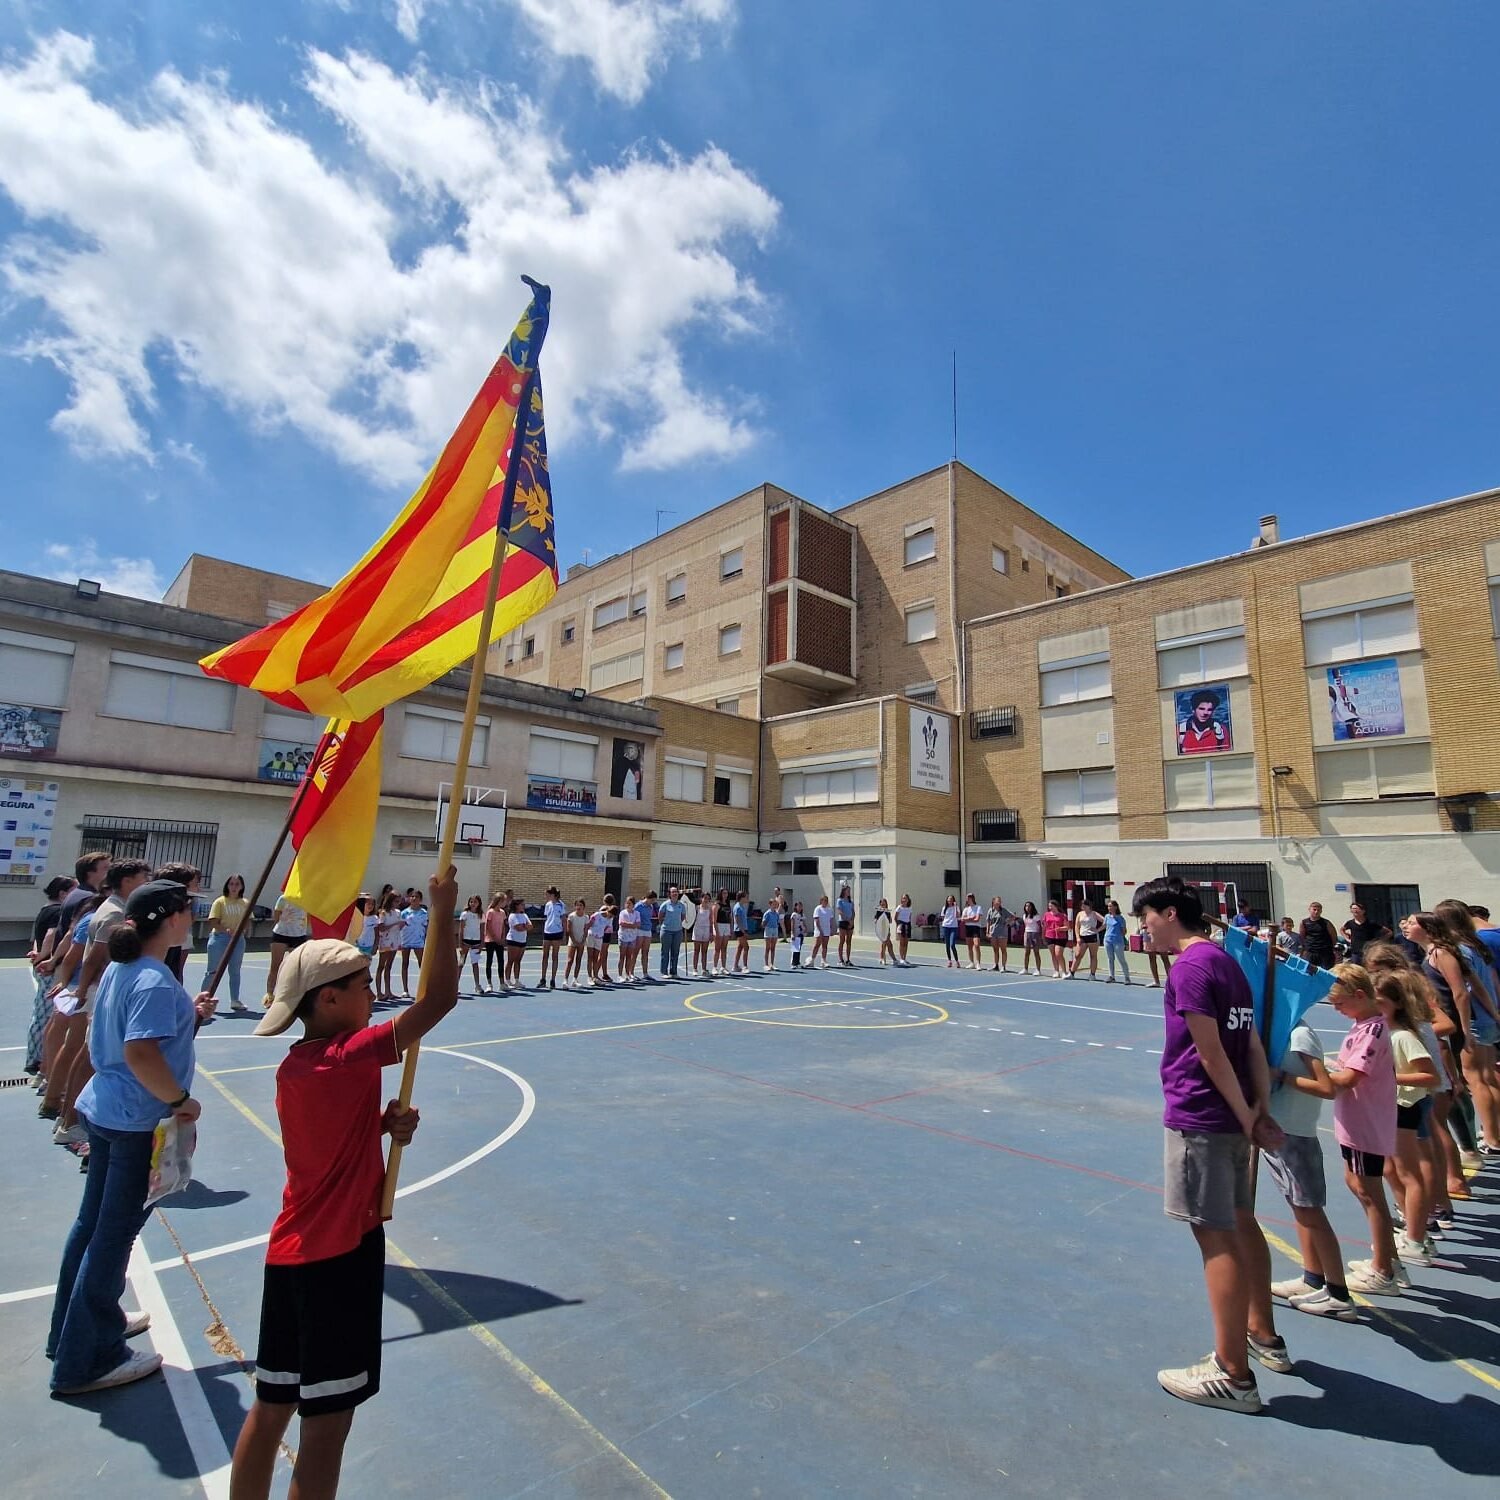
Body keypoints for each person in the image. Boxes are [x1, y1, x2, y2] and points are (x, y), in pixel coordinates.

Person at [229, 869, 458, 1500]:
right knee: (327, 1428)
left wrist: (382, 1126)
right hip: (338, 1258)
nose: (371, 996)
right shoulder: (349, 1057)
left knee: (272, 1403)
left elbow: (329, 1137)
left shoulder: (299, 1067)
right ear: (328, 1001)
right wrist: (445, 912)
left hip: (291, 1253)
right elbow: (436, 1003)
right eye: (362, 987)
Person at [47, 880, 210, 1394]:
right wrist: (181, 1102)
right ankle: (86, 1358)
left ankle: (70, 1331)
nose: (194, 916)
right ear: (170, 919)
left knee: (91, 1224)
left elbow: (137, 1036)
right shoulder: (154, 981)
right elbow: (141, 1052)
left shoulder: (128, 970)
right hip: (136, 1119)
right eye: (189, 910)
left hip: (106, 1109)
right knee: (114, 1237)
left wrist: (191, 1016)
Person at [1133, 876, 1287, 1414]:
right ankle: (1259, 1334)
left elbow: (1211, 1054)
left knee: (1215, 1238)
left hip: (1203, 1116)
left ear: (1170, 912)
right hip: (1234, 1115)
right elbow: (1251, 1044)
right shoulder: (1228, 965)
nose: (1143, 928)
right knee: (1241, 1224)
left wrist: (1246, 1117)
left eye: (1146, 916)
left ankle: (1232, 1373)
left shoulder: (1192, 968)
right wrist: (1258, 1110)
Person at [1264, 1004, 1354, 1320]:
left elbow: (1326, 1087)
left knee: (1311, 1211)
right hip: (1281, 1129)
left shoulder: (1300, 1035)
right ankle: (1312, 1276)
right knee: (1299, 1208)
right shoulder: (1280, 1032)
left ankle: (1339, 1293)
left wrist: (1282, 1077)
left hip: (1297, 1132)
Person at [1324, 964, 1402, 1295]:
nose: (1337, 1010)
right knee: (1356, 1182)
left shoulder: (1372, 1032)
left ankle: (1383, 1270)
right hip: (1356, 1120)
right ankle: (1389, 1257)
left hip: (1365, 1122)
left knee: (1370, 1193)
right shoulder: (1363, 1025)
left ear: (1359, 996)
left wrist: (1307, 1076)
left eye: (1340, 1003)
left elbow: (1351, 1078)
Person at [1374, 970, 1440, 1269]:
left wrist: (1389, 1077)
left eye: (1381, 1003)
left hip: (1404, 1107)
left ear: (1396, 1003)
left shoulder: (1402, 1036)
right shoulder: (1384, 1032)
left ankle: (1417, 1238)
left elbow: (1430, 1076)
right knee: (1389, 1168)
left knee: (1409, 1173)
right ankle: (1412, 1224)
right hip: (1390, 1107)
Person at [25, 874, 76, 1076]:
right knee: (45, 1014)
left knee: (42, 1012)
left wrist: (37, 953)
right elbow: (49, 936)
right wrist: (48, 957)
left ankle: (36, 1055)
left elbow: (38, 936)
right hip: (47, 969)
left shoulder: (45, 909)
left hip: (40, 964)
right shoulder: (58, 912)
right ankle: (37, 1057)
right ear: (63, 893)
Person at [204, 874, 250, 1015]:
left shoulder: (245, 903)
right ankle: (205, 1000)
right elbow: (213, 921)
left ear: (241, 887)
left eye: (237, 884)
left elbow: (248, 921)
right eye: (231, 884)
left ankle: (235, 1000)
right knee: (213, 971)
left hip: (238, 940)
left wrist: (239, 931)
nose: (234, 887)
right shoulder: (220, 902)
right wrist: (226, 930)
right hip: (219, 938)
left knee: (235, 971)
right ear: (227, 886)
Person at [266, 893, 310, 1009]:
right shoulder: (283, 898)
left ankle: (295, 997)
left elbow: (309, 917)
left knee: (298, 968)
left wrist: (302, 928)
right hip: (281, 934)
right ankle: (270, 995)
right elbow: (276, 915)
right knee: (275, 966)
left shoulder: (308, 898)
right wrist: (284, 927)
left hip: (299, 935)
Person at [1177, 688, 1228, 755]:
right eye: (1201, 709)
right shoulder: (1179, 730)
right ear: (1193, 709)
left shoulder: (1221, 730)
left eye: (1209, 710)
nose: (1205, 713)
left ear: (1213, 711)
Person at [374, 894, 405, 1001]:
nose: (397, 903)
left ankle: (388, 991)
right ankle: (379, 992)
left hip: (394, 941)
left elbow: (399, 928)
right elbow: (381, 928)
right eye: (396, 901)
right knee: (381, 966)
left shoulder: (398, 912)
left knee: (389, 966)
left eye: (398, 901)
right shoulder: (383, 912)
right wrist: (395, 924)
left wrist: (402, 924)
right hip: (385, 942)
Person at [398, 891, 428, 998]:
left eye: (417, 897)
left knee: (422, 964)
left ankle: (423, 987)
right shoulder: (404, 913)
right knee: (405, 963)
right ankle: (405, 990)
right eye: (412, 896)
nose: (414, 898)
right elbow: (400, 927)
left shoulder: (424, 913)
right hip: (406, 941)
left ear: (420, 899)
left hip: (418, 941)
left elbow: (426, 927)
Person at [539, 887, 566, 990]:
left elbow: (564, 920)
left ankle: (553, 980)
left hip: (557, 932)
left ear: (553, 894)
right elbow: (547, 917)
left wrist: (564, 934)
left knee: (555, 956)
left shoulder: (561, 905)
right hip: (547, 932)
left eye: (547, 894)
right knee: (545, 955)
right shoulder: (548, 905)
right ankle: (543, 979)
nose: (546, 896)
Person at [657, 885, 687, 979]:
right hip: (666, 931)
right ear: (669, 894)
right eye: (673, 892)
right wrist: (665, 925)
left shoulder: (681, 905)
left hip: (677, 931)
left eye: (676, 892)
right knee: (665, 952)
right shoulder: (665, 904)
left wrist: (677, 925)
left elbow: (682, 917)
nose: (675, 893)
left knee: (675, 952)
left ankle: (673, 972)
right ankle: (664, 972)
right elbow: (660, 916)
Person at [1068, 899, 1103, 979]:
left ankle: (1092, 974)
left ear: (1088, 905)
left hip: (1092, 936)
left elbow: (1105, 921)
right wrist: (1077, 937)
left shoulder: (1094, 913)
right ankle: (1072, 973)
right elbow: (1076, 926)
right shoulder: (1080, 914)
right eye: (1082, 905)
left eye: (1084, 905)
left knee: (1093, 955)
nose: (1082, 906)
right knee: (1078, 955)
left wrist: (1098, 929)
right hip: (1082, 937)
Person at [1298, 901, 1338, 970]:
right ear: (1309, 910)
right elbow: (1302, 936)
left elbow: (1333, 936)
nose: (1316, 912)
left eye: (1318, 910)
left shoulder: (1326, 923)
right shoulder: (1304, 922)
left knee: (1326, 972)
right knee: (1308, 973)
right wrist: (1304, 949)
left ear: (1321, 911)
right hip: (1310, 952)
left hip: (1325, 953)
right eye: (1314, 909)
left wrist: (1332, 948)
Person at [458, 896, 484, 995]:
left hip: (476, 941)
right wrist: (460, 944)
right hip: (465, 941)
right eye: (471, 902)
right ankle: (456, 985)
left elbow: (482, 929)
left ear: (479, 903)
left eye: (475, 902)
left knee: (475, 964)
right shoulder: (465, 914)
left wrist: (481, 943)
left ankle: (477, 985)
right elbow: (461, 929)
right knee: (461, 963)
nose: (473, 904)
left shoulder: (481, 915)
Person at [503, 898, 531, 991]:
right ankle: (507, 980)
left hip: (522, 940)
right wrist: (524, 926)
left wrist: (524, 926)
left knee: (518, 961)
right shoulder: (512, 916)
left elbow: (530, 926)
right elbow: (518, 927)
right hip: (513, 940)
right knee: (511, 960)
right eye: (521, 904)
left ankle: (517, 980)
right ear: (516, 906)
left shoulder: (524, 915)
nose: (523, 906)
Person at [483, 894, 507, 992]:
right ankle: (489, 983)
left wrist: (502, 937)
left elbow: (503, 926)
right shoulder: (490, 912)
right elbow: (488, 927)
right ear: (499, 901)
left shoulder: (502, 912)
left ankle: (502, 983)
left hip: (499, 941)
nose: (505, 903)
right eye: (503, 901)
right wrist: (495, 938)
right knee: (489, 961)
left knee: (500, 961)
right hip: (490, 940)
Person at [1103, 900, 1131, 984]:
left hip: (1118, 941)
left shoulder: (1120, 918)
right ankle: (1111, 976)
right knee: (1110, 958)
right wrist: (1096, 930)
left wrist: (1121, 934)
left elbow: (1124, 931)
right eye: (1108, 906)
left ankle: (1127, 977)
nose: (1109, 908)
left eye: (1111, 906)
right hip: (1108, 940)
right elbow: (1104, 926)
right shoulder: (1107, 916)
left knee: (1121, 959)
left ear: (1115, 907)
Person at [563, 898, 589, 988]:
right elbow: (569, 930)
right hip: (573, 941)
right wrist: (574, 941)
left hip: (581, 942)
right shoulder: (571, 916)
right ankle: (565, 980)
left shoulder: (586, 917)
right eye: (577, 905)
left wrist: (582, 941)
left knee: (578, 960)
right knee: (570, 960)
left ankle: (575, 979)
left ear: (584, 907)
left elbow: (586, 930)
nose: (578, 907)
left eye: (580, 905)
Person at [1042, 899, 1068, 978]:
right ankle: (1056, 971)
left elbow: (1067, 927)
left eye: (1051, 906)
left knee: (1058, 954)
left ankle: (1064, 971)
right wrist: (1043, 936)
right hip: (1049, 936)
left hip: (1060, 937)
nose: (1050, 907)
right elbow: (1044, 926)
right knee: (1053, 954)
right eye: (1049, 906)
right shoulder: (1046, 915)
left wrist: (1060, 929)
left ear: (1056, 906)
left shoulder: (1063, 915)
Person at [634, 892, 657, 982]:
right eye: (652, 900)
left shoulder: (650, 907)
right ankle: (631, 972)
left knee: (645, 952)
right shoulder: (638, 906)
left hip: (647, 930)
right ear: (648, 898)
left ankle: (645, 973)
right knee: (635, 952)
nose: (653, 902)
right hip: (639, 930)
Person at [617, 894, 640, 982]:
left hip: (632, 937)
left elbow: (638, 924)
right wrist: (632, 925)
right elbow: (622, 923)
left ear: (633, 904)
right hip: (623, 937)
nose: (628, 905)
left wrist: (630, 925)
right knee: (622, 956)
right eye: (626, 903)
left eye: (629, 903)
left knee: (629, 956)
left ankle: (628, 974)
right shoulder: (622, 913)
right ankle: (620, 975)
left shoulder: (637, 913)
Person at [690, 889, 712, 977]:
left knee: (704, 951)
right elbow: (691, 918)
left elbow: (711, 921)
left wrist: (711, 933)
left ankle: (704, 969)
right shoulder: (697, 908)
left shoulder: (710, 909)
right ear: (701, 898)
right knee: (696, 950)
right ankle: (695, 969)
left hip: (706, 930)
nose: (706, 900)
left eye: (708, 898)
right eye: (705, 898)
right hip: (697, 929)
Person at [985, 897, 1010, 972]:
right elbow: (988, 922)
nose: (998, 903)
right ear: (993, 902)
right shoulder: (990, 910)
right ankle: (996, 965)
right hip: (993, 933)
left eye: (999, 902)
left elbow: (1013, 917)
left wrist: (1007, 922)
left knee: (1003, 949)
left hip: (1002, 933)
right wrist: (987, 931)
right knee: (995, 949)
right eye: (997, 902)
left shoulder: (1004, 910)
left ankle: (1003, 966)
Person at [711, 888, 732, 977]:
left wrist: (730, 928)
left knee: (724, 948)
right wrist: (716, 931)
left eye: (726, 893)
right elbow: (714, 920)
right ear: (720, 894)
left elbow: (730, 917)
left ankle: (723, 967)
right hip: (719, 925)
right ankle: (714, 967)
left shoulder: (728, 904)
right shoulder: (717, 905)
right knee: (717, 948)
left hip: (726, 926)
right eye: (723, 893)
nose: (725, 895)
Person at [961, 893, 984, 970]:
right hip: (968, 928)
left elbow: (977, 919)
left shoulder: (978, 907)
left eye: (969, 897)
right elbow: (963, 919)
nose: (968, 899)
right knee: (969, 946)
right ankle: (971, 963)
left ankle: (978, 963)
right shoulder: (966, 909)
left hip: (976, 928)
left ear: (972, 898)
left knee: (976, 945)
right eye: (967, 898)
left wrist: (968, 918)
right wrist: (971, 918)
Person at [810, 896, 834, 970]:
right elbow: (816, 920)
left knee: (825, 946)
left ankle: (823, 961)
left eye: (827, 900)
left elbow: (831, 920)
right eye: (824, 900)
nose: (826, 902)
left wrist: (832, 929)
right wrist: (820, 930)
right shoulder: (818, 909)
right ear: (821, 901)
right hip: (819, 930)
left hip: (826, 930)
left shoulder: (829, 910)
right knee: (817, 945)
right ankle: (812, 960)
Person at [732, 890, 752, 975]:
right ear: (741, 898)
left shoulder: (742, 906)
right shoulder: (737, 907)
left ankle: (735, 966)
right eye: (745, 897)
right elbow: (737, 920)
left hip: (743, 929)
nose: (747, 899)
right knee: (746, 947)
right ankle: (745, 966)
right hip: (739, 930)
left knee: (740, 947)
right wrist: (743, 931)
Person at [1021, 901, 1043, 975]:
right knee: (1026, 952)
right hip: (1027, 933)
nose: (1027, 907)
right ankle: (1025, 969)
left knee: (1036, 952)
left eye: (1029, 906)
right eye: (1026, 906)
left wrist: (1040, 935)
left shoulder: (1036, 916)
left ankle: (1038, 970)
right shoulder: (1024, 916)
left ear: (1032, 907)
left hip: (1035, 934)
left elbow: (1040, 926)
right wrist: (1025, 934)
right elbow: (1025, 926)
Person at [835, 885, 856, 966]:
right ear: (844, 891)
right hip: (843, 922)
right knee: (842, 940)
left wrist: (852, 921)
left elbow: (853, 912)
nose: (849, 892)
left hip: (850, 922)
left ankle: (848, 959)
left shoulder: (851, 902)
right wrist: (846, 919)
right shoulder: (839, 900)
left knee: (849, 941)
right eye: (847, 890)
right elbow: (840, 911)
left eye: (849, 891)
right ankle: (840, 959)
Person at [761, 896, 782, 972]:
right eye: (773, 904)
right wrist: (765, 923)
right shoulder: (767, 913)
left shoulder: (776, 913)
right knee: (768, 948)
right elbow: (763, 924)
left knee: (773, 948)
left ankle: (772, 964)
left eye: (775, 904)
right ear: (770, 904)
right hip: (768, 929)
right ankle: (766, 964)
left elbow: (777, 921)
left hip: (775, 929)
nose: (775, 905)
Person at [940, 895, 961, 968]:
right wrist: (946, 923)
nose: (950, 901)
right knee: (947, 945)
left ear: (953, 900)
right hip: (946, 927)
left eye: (951, 900)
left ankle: (957, 961)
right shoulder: (944, 908)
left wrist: (955, 907)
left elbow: (958, 916)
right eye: (948, 900)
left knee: (952, 944)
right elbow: (943, 917)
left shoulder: (956, 907)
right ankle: (949, 960)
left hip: (954, 927)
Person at [894, 894, 913, 967]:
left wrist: (908, 925)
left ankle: (904, 958)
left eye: (905, 898)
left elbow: (909, 917)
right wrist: (899, 925)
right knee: (902, 943)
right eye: (903, 898)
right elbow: (895, 918)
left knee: (906, 943)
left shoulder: (910, 908)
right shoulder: (899, 907)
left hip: (907, 925)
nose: (904, 900)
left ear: (908, 899)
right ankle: (901, 958)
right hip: (901, 925)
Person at [874, 899, 894, 966]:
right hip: (881, 930)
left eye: (884, 904)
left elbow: (890, 921)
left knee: (888, 944)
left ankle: (885, 958)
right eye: (882, 904)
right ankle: (883, 958)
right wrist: (876, 921)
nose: (883, 905)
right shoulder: (879, 911)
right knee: (884, 944)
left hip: (887, 930)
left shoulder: (888, 911)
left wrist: (889, 917)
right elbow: (876, 919)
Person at [790, 900, 807, 969]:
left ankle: (797, 962)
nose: (800, 908)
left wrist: (805, 929)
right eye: (798, 906)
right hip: (796, 933)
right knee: (795, 949)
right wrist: (792, 934)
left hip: (801, 933)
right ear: (796, 907)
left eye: (801, 906)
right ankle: (793, 963)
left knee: (799, 949)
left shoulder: (802, 915)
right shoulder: (794, 915)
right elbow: (792, 925)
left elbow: (804, 923)